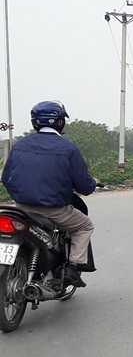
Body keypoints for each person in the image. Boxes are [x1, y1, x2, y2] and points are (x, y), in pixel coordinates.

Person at [1, 100, 98, 288]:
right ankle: (72, 266)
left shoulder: (20, 145)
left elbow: (6, 178)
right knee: (85, 226)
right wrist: (92, 183)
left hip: (21, 209)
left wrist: (20, 195)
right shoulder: (68, 148)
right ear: (60, 122)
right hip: (55, 211)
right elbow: (84, 186)